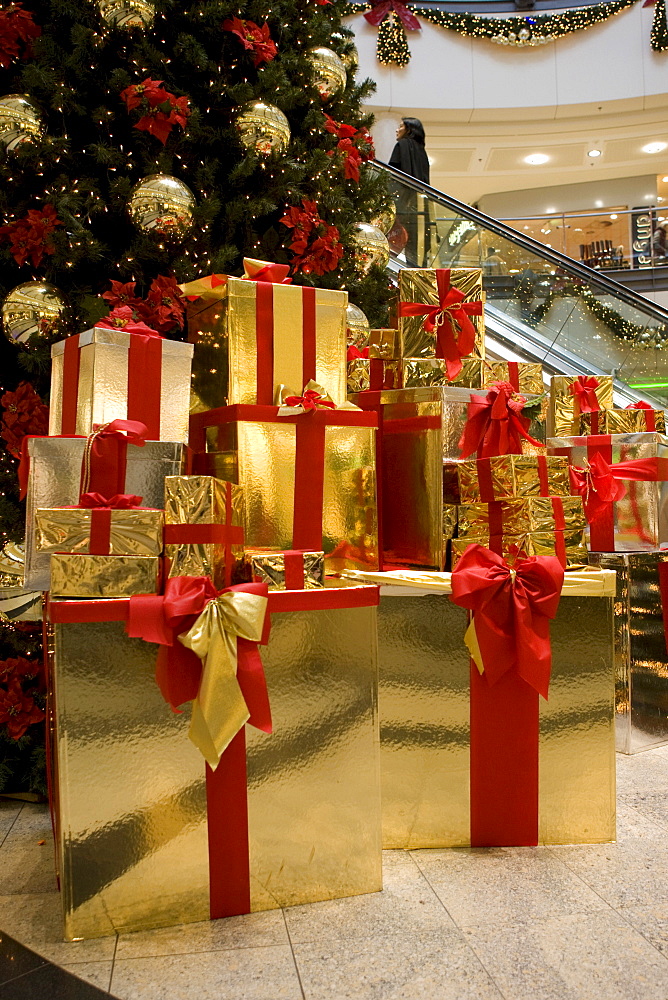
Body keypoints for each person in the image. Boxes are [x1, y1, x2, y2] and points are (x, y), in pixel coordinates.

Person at [388, 117, 430, 265]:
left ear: (409, 129)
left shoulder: (401, 145)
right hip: (420, 206)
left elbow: (392, 175)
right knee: (417, 247)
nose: (397, 130)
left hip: (402, 205)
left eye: (401, 126)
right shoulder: (422, 152)